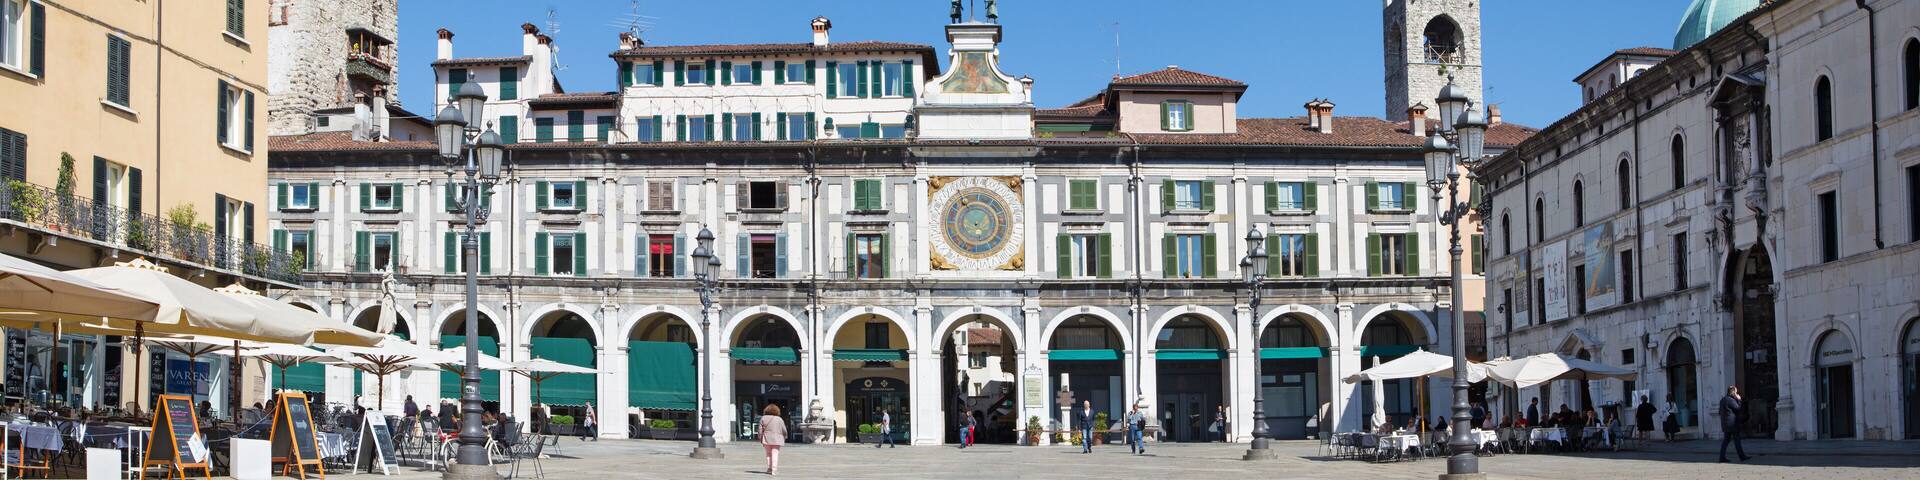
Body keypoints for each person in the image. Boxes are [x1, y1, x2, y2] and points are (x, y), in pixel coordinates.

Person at [1718, 385, 1751, 463]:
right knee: (1737, 440)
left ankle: (1721, 457)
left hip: (1725, 424)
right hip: (1732, 424)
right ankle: (1742, 456)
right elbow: (1738, 409)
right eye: (1736, 392)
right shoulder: (1730, 400)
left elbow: (1720, 412)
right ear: (1733, 392)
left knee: (1726, 441)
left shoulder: (1722, 400)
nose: (1737, 393)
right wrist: (1739, 400)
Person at [759, 403, 786, 475]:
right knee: (775, 453)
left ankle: (769, 468)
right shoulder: (779, 419)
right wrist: (785, 435)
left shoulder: (763, 418)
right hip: (777, 438)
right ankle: (774, 469)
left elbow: (760, 430)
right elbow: (784, 429)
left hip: (766, 438)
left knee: (768, 454)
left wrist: (760, 437)